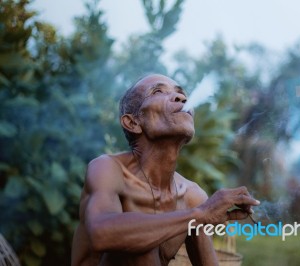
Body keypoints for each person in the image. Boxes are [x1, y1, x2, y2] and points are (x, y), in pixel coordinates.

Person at [71, 74, 260, 266]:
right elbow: (102, 234)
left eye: (181, 94)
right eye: (158, 91)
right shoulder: (108, 169)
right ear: (133, 123)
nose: (182, 99)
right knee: (139, 242)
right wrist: (200, 214)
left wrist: (200, 212)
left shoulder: (192, 196)